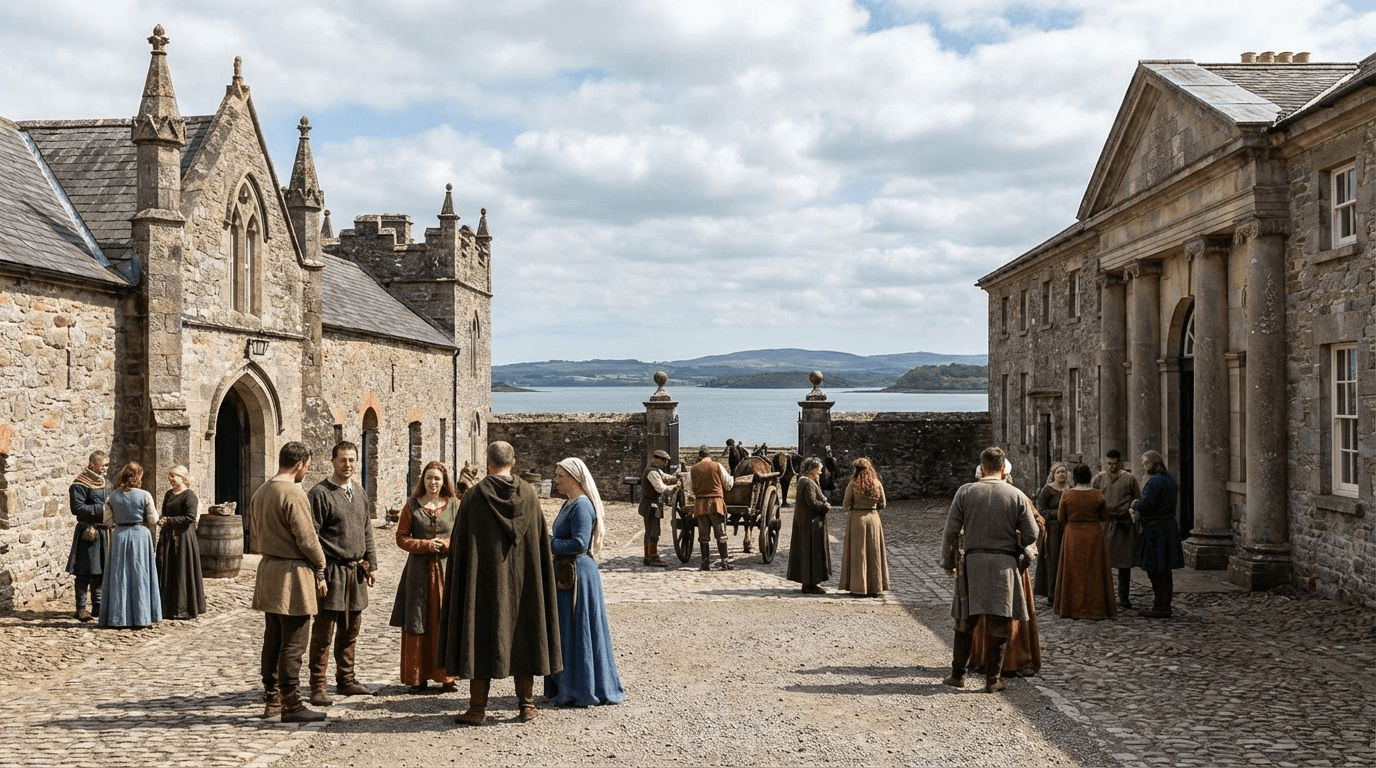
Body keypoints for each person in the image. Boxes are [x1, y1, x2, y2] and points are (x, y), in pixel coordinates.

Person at [439, 441, 560, 725]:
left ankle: (477, 709)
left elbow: (460, 543)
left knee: (480, 636)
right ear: (513, 462)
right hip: (522, 585)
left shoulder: (475, 496)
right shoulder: (529, 494)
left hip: (483, 585)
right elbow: (539, 543)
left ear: (489, 463)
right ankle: (526, 705)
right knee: (524, 636)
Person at [942, 447, 1040, 694]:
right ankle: (992, 680)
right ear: (1003, 466)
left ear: (982, 466)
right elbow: (1032, 533)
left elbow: (951, 531)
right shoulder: (1016, 495)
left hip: (973, 564)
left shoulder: (965, 492)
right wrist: (1015, 544)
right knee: (999, 622)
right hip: (1004, 565)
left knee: (965, 621)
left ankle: (957, 676)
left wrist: (949, 562)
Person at [249, 441, 328, 723]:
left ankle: (272, 698)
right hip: (292, 573)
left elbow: (255, 533)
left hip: (269, 567)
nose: (306, 471)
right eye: (306, 466)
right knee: (294, 641)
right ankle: (291, 703)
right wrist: (320, 564)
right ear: (299, 465)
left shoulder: (262, 491)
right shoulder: (292, 492)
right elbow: (307, 537)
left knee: (273, 638)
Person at [545, 457, 626, 707]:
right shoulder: (568, 504)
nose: (556, 480)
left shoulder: (581, 506)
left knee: (578, 627)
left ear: (574, 478)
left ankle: (582, 688)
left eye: (560, 475)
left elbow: (580, 542)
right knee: (567, 628)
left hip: (578, 574)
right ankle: (568, 685)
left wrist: (549, 544)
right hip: (567, 571)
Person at [306, 441, 378, 707]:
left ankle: (346, 679)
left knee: (351, 629)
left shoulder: (359, 492)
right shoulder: (320, 494)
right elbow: (311, 537)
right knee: (324, 632)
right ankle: (318, 685)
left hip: (356, 572)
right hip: (332, 571)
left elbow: (367, 530)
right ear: (333, 461)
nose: (347, 465)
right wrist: (319, 573)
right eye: (343, 460)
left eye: (352, 460)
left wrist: (371, 564)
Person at [967, 459, 1042, 679]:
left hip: (995, 563)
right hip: (1008, 563)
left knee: (993, 611)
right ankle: (995, 662)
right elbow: (1037, 528)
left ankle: (991, 661)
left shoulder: (1015, 496)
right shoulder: (1015, 496)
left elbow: (1037, 525)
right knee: (1003, 612)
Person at [389, 461, 460, 694]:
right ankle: (417, 676)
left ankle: (446, 676)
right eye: (429, 478)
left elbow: (462, 535)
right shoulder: (412, 506)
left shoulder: (453, 505)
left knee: (444, 619)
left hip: (446, 571)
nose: (433, 483)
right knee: (418, 620)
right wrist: (426, 545)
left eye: (437, 479)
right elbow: (401, 538)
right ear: (423, 480)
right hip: (418, 573)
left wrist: (447, 544)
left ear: (444, 481)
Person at [99, 462, 161, 629]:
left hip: (120, 536)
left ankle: (118, 617)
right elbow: (153, 520)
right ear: (139, 477)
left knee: (120, 575)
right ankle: (141, 617)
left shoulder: (112, 496)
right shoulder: (145, 495)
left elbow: (107, 520)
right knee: (140, 574)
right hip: (140, 536)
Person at [1053, 464, 1116, 620]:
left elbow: (1061, 518)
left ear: (1074, 477)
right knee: (1093, 571)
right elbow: (1104, 517)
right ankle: (1095, 607)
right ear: (1089, 476)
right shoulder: (1097, 495)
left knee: (1073, 571)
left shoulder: (1067, 495)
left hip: (1073, 534)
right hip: (1093, 535)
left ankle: (1071, 607)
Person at [1134, 450, 1184, 618]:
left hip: (1157, 530)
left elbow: (1147, 504)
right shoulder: (1169, 480)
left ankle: (1161, 605)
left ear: (1154, 464)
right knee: (1163, 569)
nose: (1143, 467)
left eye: (1145, 463)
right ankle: (1163, 603)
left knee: (1155, 568)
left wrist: (1136, 504)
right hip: (1166, 527)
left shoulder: (1156, 482)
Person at [1093, 449, 1142, 610]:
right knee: (1104, 563)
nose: (1112, 467)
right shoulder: (1100, 478)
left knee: (1124, 564)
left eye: (1114, 464)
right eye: (1109, 464)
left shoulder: (1129, 478)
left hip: (1123, 524)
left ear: (1119, 463)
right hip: (1106, 524)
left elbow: (1137, 498)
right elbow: (1094, 499)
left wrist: (1133, 514)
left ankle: (1124, 597)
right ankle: (1104, 596)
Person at [156, 464, 206, 620]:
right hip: (168, 537)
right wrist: (162, 520)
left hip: (183, 538)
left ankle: (183, 608)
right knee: (167, 568)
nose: (171, 479)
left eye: (174, 476)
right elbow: (164, 512)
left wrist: (169, 521)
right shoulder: (169, 494)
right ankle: (166, 608)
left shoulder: (189, 495)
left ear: (183, 478)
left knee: (181, 570)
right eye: (169, 475)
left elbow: (190, 517)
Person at [67, 450, 110, 622]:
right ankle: (81, 608)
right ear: (93, 464)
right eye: (103, 465)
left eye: (107, 465)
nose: (106, 468)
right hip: (87, 532)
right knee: (84, 571)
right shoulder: (79, 484)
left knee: (99, 571)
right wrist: (102, 510)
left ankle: (98, 607)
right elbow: (76, 508)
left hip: (101, 531)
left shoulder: (101, 481)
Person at [838, 458, 889, 598]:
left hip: (857, 520)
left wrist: (855, 507)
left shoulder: (853, 484)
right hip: (873, 519)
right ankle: (875, 587)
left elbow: (846, 503)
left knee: (858, 553)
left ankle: (858, 587)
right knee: (874, 553)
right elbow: (883, 504)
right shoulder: (877, 483)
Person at [785, 457, 831, 594]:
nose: (820, 473)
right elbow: (812, 503)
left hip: (807, 522)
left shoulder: (805, 481)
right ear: (813, 470)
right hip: (810, 524)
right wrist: (825, 506)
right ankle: (809, 584)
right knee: (811, 552)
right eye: (819, 471)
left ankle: (810, 582)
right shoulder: (808, 483)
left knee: (808, 552)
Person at [689, 445, 735, 571]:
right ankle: (724, 562)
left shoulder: (693, 469)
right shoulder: (717, 466)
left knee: (703, 535)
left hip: (700, 505)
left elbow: (690, 487)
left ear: (699, 456)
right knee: (720, 534)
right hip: (716, 504)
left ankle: (705, 563)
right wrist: (732, 479)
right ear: (710, 455)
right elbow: (728, 485)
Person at [1034, 462, 1070, 608]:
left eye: (1063, 472)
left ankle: (1066, 592)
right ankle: (1052, 594)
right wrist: (1057, 514)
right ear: (1053, 474)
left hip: (1067, 529)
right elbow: (1041, 510)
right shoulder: (1048, 490)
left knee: (1067, 560)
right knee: (1053, 561)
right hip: (1053, 530)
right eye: (1058, 472)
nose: (1062, 474)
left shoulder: (1070, 490)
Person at [638, 450, 679, 567]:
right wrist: (674, 487)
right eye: (664, 461)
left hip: (650, 505)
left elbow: (664, 476)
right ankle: (652, 557)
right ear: (659, 460)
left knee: (650, 532)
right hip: (651, 506)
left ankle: (648, 556)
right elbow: (660, 488)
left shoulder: (655, 470)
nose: (665, 463)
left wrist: (674, 478)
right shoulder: (652, 472)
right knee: (653, 532)